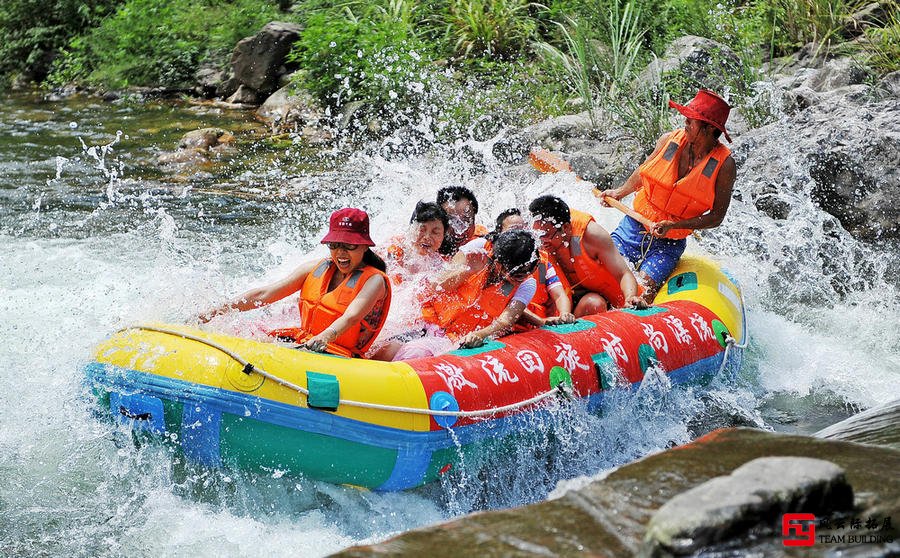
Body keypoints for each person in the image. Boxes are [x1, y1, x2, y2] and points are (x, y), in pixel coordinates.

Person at [599, 89, 737, 302]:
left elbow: (716, 217)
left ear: (709, 129)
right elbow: (644, 171)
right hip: (634, 226)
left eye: (691, 121)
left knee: (641, 293)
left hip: (668, 244)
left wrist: (675, 226)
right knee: (603, 277)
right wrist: (619, 192)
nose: (685, 123)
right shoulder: (669, 140)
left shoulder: (724, 165)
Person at [198, 208, 391, 359]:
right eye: (334, 245)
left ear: (365, 246)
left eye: (349, 246)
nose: (340, 253)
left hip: (337, 354)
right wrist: (214, 312)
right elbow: (265, 294)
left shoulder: (374, 281)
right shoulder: (314, 268)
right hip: (305, 342)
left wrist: (324, 338)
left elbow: (351, 317)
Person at [392, 229, 540, 359]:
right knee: (386, 350)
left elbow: (505, 321)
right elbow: (437, 285)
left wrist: (479, 335)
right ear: (500, 264)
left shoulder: (527, 284)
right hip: (426, 320)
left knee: (413, 353)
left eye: (528, 271)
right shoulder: (477, 248)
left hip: (456, 339)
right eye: (517, 274)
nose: (522, 277)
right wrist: (467, 271)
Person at [528, 195, 644, 316]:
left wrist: (631, 297)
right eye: (539, 234)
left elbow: (623, 273)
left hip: (598, 299)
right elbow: (540, 287)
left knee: (594, 304)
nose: (542, 241)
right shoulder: (537, 244)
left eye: (546, 235)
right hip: (563, 302)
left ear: (566, 227)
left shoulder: (592, 235)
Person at [491, 208, 574, 328]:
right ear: (499, 233)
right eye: (514, 230)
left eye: (523, 229)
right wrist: (540, 321)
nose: (520, 235)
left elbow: (560, 295)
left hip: (539, 327)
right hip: (508, 328)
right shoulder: (497, 264)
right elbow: (507, 305)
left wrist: (565, 314)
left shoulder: (541, 263)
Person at [384, 201, 449, 284]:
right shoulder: (395, 248)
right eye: (421, 230)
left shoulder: (441, 264)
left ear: (443, 236)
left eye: (435, 232)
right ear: (411, 228)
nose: (427, 237)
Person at [436, 185, 488, 256]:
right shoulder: (428, 245)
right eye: (452, 221)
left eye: (466, 220)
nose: (460, 230)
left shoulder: (484, 239)